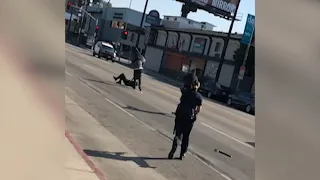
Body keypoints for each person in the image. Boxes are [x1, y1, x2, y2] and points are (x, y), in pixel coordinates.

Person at [168, 80, 203, 160]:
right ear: (197, 86)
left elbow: (181, 99)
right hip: (189, 117)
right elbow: (198, 109)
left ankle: (175, 145)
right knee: (186, 136)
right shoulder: (198, 96)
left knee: (178, 133)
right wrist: (195, 114)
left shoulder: (185, 92)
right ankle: (182, 154)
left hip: (180, 114)